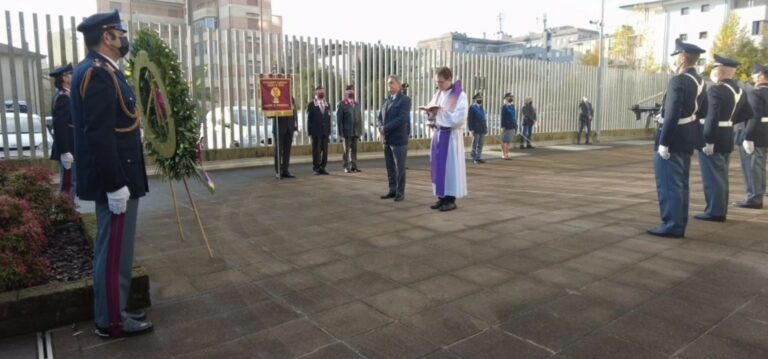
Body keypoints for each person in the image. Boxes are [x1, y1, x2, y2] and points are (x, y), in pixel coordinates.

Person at [70, 10, 152, 338]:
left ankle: (114, 308)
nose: (124, 37)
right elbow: (99, 135)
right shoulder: (99, 74)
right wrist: (116, 185)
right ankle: (111, 321)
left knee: (117, 248)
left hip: (120, 174)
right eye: (121, 31)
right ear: (107, 36)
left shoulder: (102, 70)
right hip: (116, 179)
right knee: (114, 249)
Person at [647, 39, 707, 239]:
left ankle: (672, 224)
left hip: (673, 138)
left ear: (682, 59)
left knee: (669, 184)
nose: (674, 61)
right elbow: (702, 111)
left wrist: (664, 141)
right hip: (687, 136)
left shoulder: (679, 81)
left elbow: (673, 113)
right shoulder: (699, 81)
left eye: (675, 57)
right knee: (681, 184)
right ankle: (679, 223)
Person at [696, 55, 753, 222]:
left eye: (714, 70)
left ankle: (714, 212)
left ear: (720, 72)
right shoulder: (740, 91)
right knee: (721, 177)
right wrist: (728, 122)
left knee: (712, 177)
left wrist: (708, 140)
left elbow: (712, 117)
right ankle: (719, 209)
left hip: (714, 137)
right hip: (727, 135)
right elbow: (748, 113)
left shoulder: (716, 90)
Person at [427, 67, 468, 211]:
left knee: (450, 168)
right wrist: (430, 112)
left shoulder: (459, 95)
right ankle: (441, 197)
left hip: (451, 137)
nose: (439, 84)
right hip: (438, 135)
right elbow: (433, 110)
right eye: (437, 81)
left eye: (441, 81)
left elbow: (459, 118)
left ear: (450, 79)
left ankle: (451, 200)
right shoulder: (438, 93)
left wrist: (440, 114)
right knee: (438, 167)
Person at [736, 64, 768, 209]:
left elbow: (754, 116)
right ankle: (758, 195)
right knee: (760, 167)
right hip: (765, 132)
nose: (753, 77)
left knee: (753, 167)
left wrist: (747, 136)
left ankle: (754, 198)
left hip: (755, 133)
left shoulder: (756, 93)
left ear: (761, 76)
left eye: (755, 75)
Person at [378, 75, 410, 201]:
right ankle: (392, 189)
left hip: (398, 140)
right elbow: (379, 117)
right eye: (388, 83)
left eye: (391, 83)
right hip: (387, 140)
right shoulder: (386, 101)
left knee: (400, 168)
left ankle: (400, 192)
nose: (389, 85)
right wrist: (380, 126)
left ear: (398, 84)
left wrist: (385, 128)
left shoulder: (405, 100)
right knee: (390, 166)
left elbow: (402, 119)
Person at [48, 63, 75, 199]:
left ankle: (67, 212)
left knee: (72, 182)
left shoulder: (67, 95)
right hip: (67, 147)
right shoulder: (63, 97)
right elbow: (60, 126)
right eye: (71, 74)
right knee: (68, 183)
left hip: (71, 146)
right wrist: (65, 151)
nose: (73, 76)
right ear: (64, 78)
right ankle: (65, 214)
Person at [337, 84, 363, 173]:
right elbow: (339, 119)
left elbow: (359, 118)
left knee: (354, 149)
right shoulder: (342, 104)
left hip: (356, 130)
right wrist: (340, 132)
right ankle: (346, 166)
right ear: (346, 92)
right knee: (346, 150)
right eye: (349, 91)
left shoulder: (357, 104)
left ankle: (354, 166)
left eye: (353, 90)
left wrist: (360, 131)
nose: (351, 92)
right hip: (346, 131)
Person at [307, 85, 332, 175]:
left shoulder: (327, 104)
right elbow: (309, 120)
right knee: (316, 151)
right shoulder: (311, 104)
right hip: (316, 132)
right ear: (316, 92)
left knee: (325, 151)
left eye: (323, 91)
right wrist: (309, 133)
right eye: (320, 91)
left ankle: (323, 167)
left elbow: (329, 119)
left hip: (325, 132)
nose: (322, 92)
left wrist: (329, 132)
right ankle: (316, 168)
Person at [273, 97, 297, 179]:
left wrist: (295, 126)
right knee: (278, 151)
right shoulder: (276, 98)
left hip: (289, 128)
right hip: (279, 128)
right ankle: (278, 171)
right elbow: (271, 113)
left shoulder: (291, 99)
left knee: (287, 151)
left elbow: (294, 112)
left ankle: (285, 170)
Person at [468, 92, 488, 164]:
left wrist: (485, 128)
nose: (480, 99)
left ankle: (478, 157)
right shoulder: (472, 107)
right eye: (478, 98)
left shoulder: (482, 107)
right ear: (475, 99)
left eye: (481, 98)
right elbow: (470, 119)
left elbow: (484, 118)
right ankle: (474, 158)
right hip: (475, 128)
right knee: (475, 143)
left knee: (481, 143)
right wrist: (471, 129)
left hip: (482, 128)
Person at [500, 93, 517, 160]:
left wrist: (515, 125)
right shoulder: (504, 106)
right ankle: (504, 154)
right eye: (510, 97)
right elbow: (502, 117)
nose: (511, 98)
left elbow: (514, 116)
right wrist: (502, 126)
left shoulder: (512, 106)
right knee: (505, 141)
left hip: (512, 125)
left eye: (512, 97)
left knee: (509, 141)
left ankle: (507, 154)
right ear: (506, 98)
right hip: (506, 126)